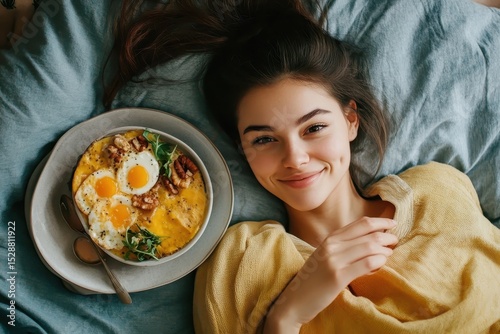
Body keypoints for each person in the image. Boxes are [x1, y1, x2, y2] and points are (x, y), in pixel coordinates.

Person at [106, 1, 500, 333]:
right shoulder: (243, 260)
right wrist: (288, 313)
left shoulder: (438, 191)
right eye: (264, 138)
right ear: (243, 149)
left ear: (350, 120)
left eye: (314, 127)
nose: (294, 157)